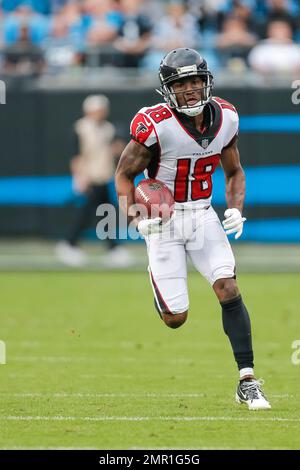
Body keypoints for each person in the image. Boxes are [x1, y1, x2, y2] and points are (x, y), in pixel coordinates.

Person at [115, 47, 271, 410]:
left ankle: (247, 379)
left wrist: (234, 208)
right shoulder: (154, 123)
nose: (190, 90)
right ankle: (158, 276)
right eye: (182, 84)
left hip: (202, 214)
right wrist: (137, 218)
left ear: (207, 82)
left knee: (227, 286)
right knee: (175, 319)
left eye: (196, 81)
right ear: (168, 89)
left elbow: (234, 171)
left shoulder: (227, 118)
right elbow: (124, 174)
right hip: (164, 222)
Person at [56, 94, 131, 267]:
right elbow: (76, 155)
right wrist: (79, 177)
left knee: (102, 211)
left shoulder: (108, 128)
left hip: (103, 176)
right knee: (93, 213)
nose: (102, 113)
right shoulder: (81, 128)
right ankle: (71, 243)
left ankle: (109, 248)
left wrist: (118, 149)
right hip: (89, 177)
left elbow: (113, 152)